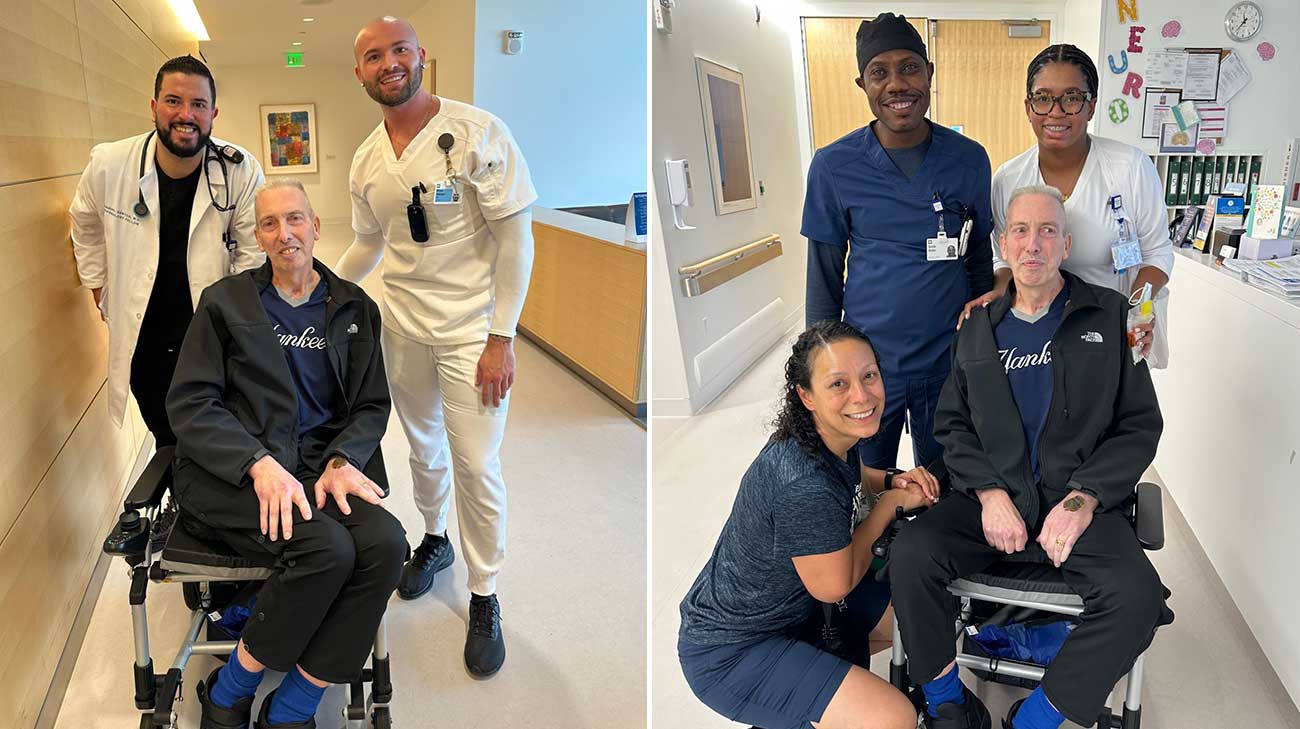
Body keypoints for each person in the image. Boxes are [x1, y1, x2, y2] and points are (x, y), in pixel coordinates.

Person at [890, 186, 1172, 729]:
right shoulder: (975, 327)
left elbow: (1139, 424)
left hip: (1076, 502)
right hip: (991, 501)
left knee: (1137, 597)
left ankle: (1036, 718)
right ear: (1003, 244)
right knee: (909, 556)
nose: (1033, 244)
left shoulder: (1113, 315)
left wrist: (1084, 497)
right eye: (1020, 230)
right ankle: (948, 704)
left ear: (1065, 245)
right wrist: (990, 494)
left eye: (1047, 231)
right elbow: (951, 424)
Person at [335, 16, 537, 678]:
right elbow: (370, 243)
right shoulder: (367, 160)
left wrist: (502, 336)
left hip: (473, 332)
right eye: (373, 56)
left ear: (422, 56)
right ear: (359, 71)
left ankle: (485, 592)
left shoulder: (480, 133)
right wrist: (320, 289)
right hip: (405, 328)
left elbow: (515, 237)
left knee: (476, 462)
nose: (388, 63)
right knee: (421, 447)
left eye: (399, 50)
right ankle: (434, 538)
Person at [167, 180, 405, 729]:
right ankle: (229, 692)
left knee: (387, 545)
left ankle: (294, 700)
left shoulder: (353, 307)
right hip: (234, 474)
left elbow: (370, 405)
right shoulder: (224, 304)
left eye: (295, 219)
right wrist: (256, 462)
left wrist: (344, 460)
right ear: (258, 236)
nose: (285, 234)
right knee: (327, 551)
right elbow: (191, 402)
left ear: (317, 226)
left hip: (317, 470)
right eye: (270, 224)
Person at [678, 321, 940, 729]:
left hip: (789, 615)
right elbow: (834, 585)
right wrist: (889, 504)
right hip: (731, 653)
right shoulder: (803, 486)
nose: (862, 395)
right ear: (806, 396)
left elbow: (853, 475)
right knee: (893, 718)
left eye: (869, 375)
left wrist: (889, 479)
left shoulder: (824, 438)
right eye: (838, 384)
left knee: (917, 619)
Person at [802, 12, 994, 479]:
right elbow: (824, 278)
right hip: (869, 368)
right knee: (866, 485)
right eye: (879, 72)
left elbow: (979, 261)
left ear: (930, 73)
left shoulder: (968, 160)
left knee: (946, 484)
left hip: (947, 362)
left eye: (909, 67)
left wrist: (980, 347)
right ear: (862, 84)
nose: (896, 84)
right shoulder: (833, 167)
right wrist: (824, 371)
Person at [69, 55, 264, 446]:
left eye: (198, 105)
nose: (185, 115)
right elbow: (84, 221)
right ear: (154, 107)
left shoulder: (239, 169)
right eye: (174, 101)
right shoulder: (110, 164)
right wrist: (98, 286)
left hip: (210, 329)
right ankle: (178, 495)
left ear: (214, 114)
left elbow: (253, 251)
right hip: (146, 330)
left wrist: (237, 321)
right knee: (166, 432)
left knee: (219, 429)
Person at [964, 44, 1173, 368]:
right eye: (1043, 98)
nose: (1056, 112)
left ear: (1091, 106)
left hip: (1109, 331)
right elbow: (1001, 256)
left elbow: (1157, 252)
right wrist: (998, 294)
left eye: (1072, 97)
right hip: (1033, 332)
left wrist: (1135, 311)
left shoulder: (1128, 168)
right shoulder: (1008, 178)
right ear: (1028, 107)